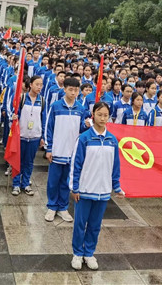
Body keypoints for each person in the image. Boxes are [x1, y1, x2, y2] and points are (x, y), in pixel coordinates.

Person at [69, 101, 125, 271]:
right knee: (80, 223)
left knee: (95, 225)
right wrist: (74, 187)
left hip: (103, 191)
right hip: (85, 190)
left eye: (105, 115)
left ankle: (89, 253)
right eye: (99, 114)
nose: (102, 118)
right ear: (93, 115)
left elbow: (115, 166)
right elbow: (75, 164)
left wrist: (117, 187)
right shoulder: (84, 138)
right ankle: (77, 253)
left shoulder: (112, 140)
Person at [44, 77, 89, 222]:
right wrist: (49, 148)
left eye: (76, 90)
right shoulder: (56, 106)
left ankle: (63, 207)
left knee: (66, 181)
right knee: (53, 181)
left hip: (72, 151)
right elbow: (48, 127)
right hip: (57, 150)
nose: (73, 93)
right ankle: (52, 206)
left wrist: (86, 125)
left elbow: (80, 129)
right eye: (70, 89)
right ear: (65, 89)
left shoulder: (80, 109)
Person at [12, 75, 44, 196]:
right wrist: (14, 117)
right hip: (21, 135)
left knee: (29, 162)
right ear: (30, 84)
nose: (39, 87)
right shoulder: (22, 98)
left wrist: (42, 136)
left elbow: (43, 118)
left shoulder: (42, 101)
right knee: (17, 161)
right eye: (37, 84)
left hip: (35, 136)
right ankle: (16, 184)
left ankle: (25, 183)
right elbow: (14, 114)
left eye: (41, 85)